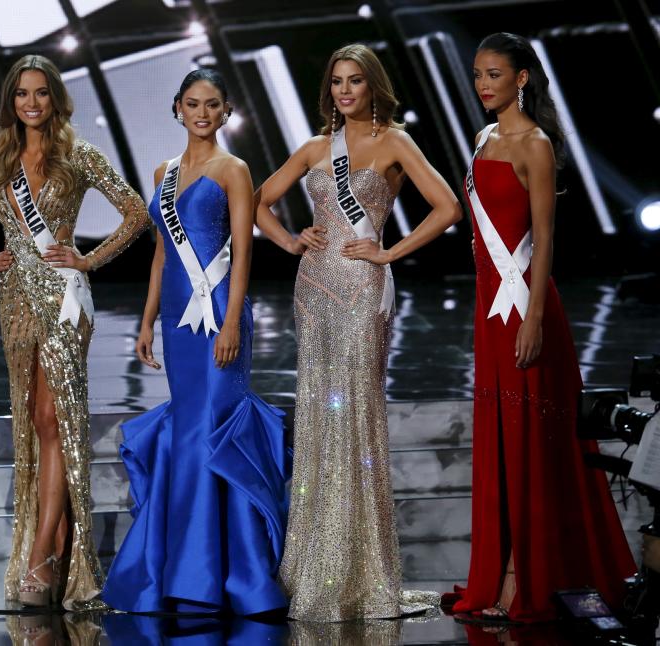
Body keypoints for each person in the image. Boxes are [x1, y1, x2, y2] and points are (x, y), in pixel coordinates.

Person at [255, 43, 460, 621]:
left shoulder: (395, 141)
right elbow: (258, 202)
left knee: (358, 417)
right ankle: (317, 562)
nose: (346, 92)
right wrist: (292, 240)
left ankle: (360, 569)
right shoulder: (316, 148)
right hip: (314, 290)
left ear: (373, 86)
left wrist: (390, 250)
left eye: (356, 82)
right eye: (338, 82)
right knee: (321, 415)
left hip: (363, 288)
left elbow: (447, 207)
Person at [0, 55, 148, 610]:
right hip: (14, 302)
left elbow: (136, 213)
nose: (31, 103)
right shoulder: (1, 160)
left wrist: (90, 259)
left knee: (55, 417)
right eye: (21, 95)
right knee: (35, 418)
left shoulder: (77, 155)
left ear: (56, 100)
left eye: (40, 94)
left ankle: (45, 551)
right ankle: (53, 543)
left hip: (62, 300)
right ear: (11, 102)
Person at [450, 32, 635, 624]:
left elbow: (545, 241)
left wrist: (532, 318)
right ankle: (503, 566)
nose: (484, 84)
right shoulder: (482, 140)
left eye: (495, 74)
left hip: (527, 312)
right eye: (479, 74)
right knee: (503, 441)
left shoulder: (535, 144)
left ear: (522, 78)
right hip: (489, 311)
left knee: (534, 442)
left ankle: (524, 579)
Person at [102, 69, 290, 615]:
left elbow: (244, 251)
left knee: (212, 430)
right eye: (192, 103)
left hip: (220, 319)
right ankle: (183, 566)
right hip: (179, 325)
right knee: (187, 432)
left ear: (225, 112)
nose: (202, 113)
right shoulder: (162, 173)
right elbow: (162, 254)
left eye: (212, 105)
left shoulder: (233, 170)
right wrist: (145, 321)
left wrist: (233, 321)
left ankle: (222, 572)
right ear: (176, 108)